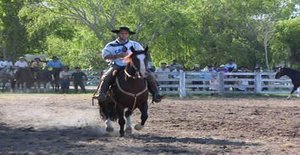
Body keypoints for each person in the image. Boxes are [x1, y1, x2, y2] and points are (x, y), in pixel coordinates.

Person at [97, 26, 163, 103]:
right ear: (118, 34)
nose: (124, 35)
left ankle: (156, 94)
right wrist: (117, 56)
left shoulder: (135, 44)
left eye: (126, 33)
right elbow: (105, 56)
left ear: (128, 35)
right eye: (122, 33)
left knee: (149, 75)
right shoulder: (111, 45)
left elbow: (142, 54)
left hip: (134, 66)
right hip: (117, 65)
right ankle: (102, 93)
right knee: (107, 76)